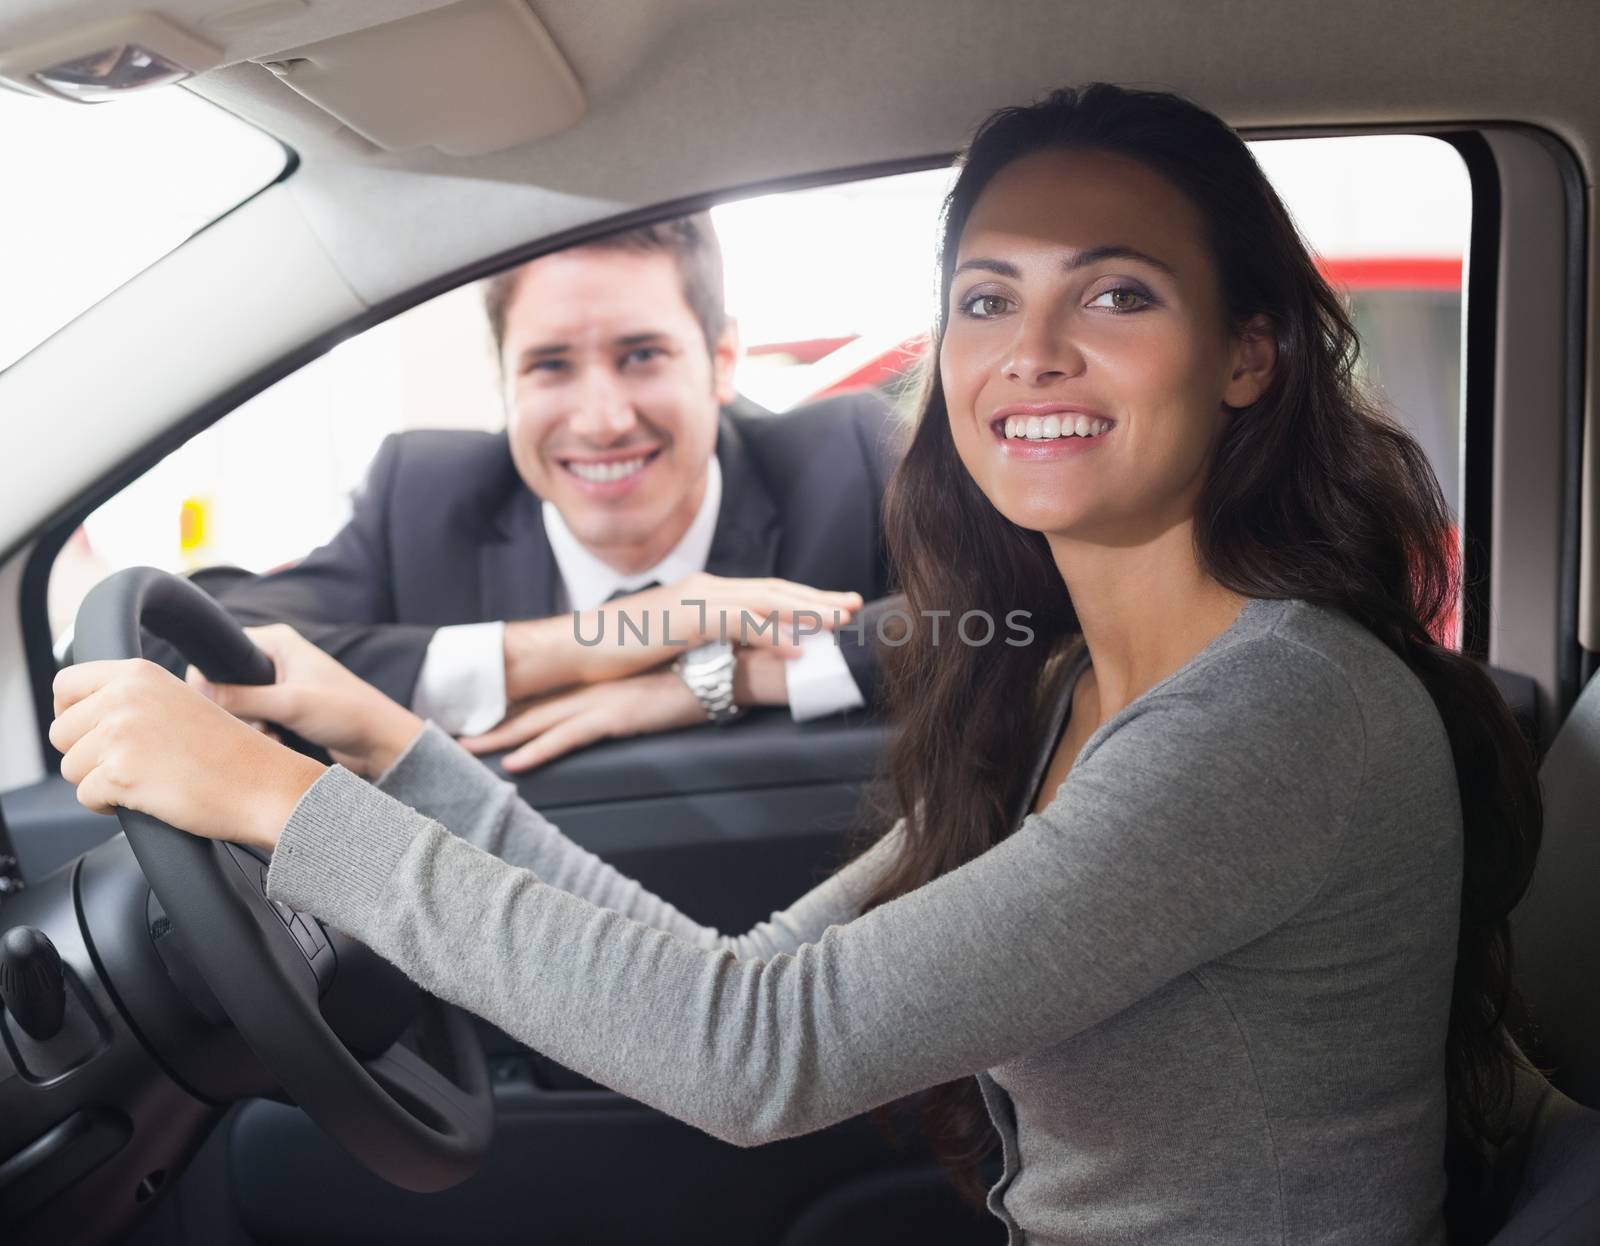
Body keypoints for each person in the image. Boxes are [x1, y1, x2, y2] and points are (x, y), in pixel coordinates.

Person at [51, 84, 1542, 1244]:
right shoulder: (1064, 686)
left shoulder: (1275, 717)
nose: (1031, 350)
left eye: (1115, 294)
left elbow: (757, 1052)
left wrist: (279, 807)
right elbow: (751, 978)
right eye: (986, 296)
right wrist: (395, 751)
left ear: (1249, 353)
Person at [205, 212, 903, 771]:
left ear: (721, 361)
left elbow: (1002, 620)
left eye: (642, 355)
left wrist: (709, 679)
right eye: (551, 365)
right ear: (505, 377)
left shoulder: (845, 460)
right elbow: (184, 638)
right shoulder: (424, 497)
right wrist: (587, 644)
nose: (602, 421)